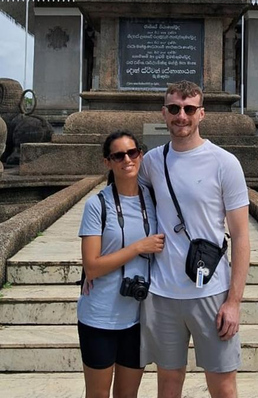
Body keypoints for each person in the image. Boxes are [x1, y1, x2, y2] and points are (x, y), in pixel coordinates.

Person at [138, 81, 251, 398]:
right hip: (162, 293)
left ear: (201, 114)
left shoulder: (224, 163)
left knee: (223, 385)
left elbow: (241, 236)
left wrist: (234, 302)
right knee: (168, 383)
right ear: (164, 113)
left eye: (189, 109)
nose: (181, 116)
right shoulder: (152, 163)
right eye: (174, 108)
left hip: (211, 293)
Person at [77, 130, 165, 398]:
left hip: (138, 317)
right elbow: (91, 266)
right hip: (100, 316)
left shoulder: (154, 199)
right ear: (108, 162)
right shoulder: (97, 205)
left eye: (132, 152)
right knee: (99, 394)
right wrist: (139, 247)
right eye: (118, 155)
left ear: (141, 155)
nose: (127, 159)